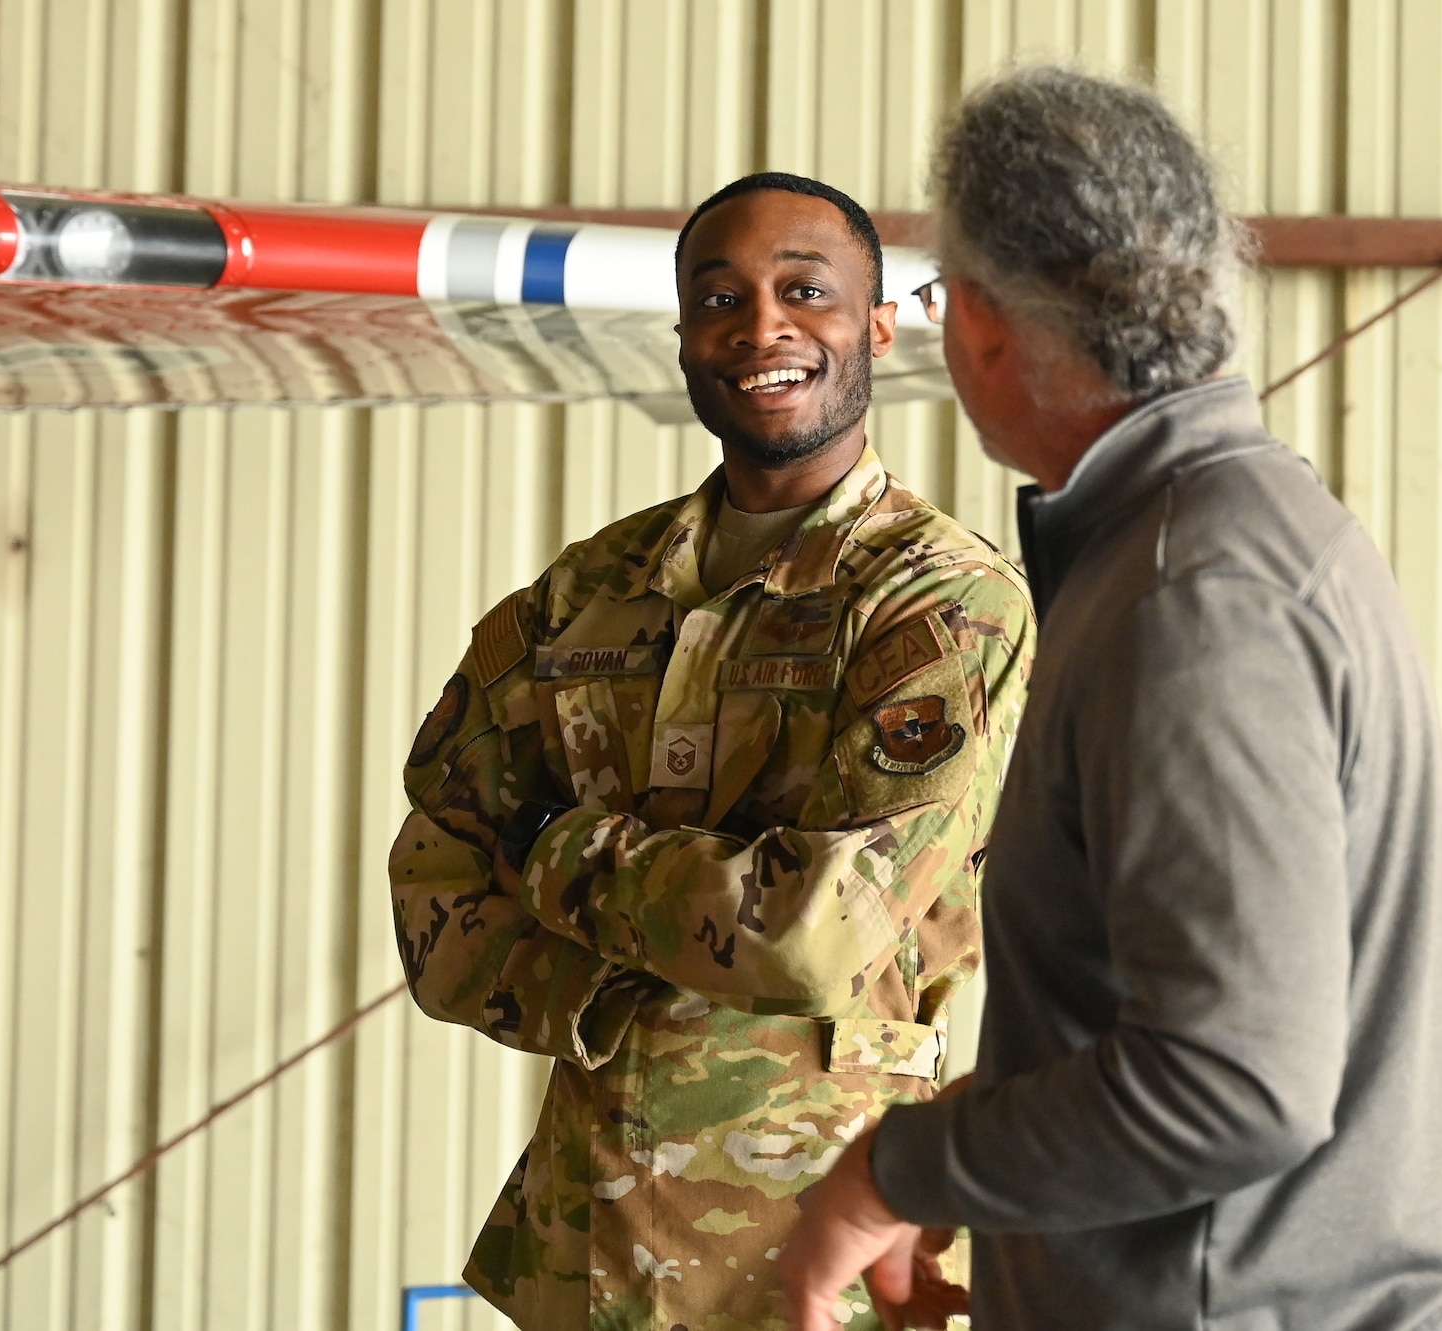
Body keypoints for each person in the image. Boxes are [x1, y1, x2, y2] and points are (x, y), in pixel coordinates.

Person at [779, 69, 1442, 1331]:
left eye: (937, 303)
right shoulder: (1234, 539)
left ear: (983, 321)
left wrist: (897, 1170)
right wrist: (977, 1147)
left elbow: (1231, 1081)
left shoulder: (1190, 599)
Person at [388, 170, 1035, 1331]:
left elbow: (812, 934)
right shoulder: (590, 590)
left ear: (877, 325)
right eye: (719, 297)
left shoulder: (939, 604)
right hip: (584, 1253)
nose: (762, 327)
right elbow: (437, 876)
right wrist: (602, 1001)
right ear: (687, 336)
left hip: (812, 1259)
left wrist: (558, 850)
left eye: (806, 291)